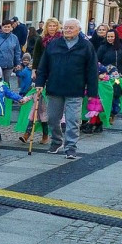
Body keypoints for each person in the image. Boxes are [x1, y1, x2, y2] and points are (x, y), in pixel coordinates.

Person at [37, 17, 99, 160]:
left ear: (79, 30)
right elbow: (43, 65)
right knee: (52, 119)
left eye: (71, 28)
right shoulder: (54, 44)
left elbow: (92, 70)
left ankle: (71, 147)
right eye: (66, 27)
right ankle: (56, 141)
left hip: (75, 89)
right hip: (55, 88)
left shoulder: (86, 46)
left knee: (73, 120)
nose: (68, 30)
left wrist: (92, 92)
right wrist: (40, 82)